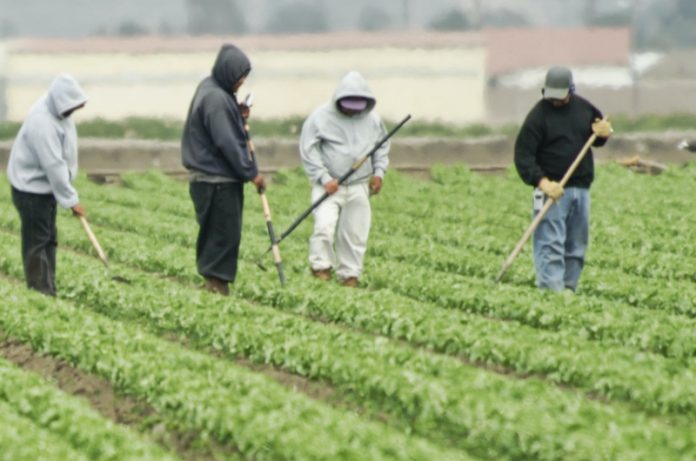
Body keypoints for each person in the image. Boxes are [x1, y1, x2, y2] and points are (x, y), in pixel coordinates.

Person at [514, 65, 612, 291]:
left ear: (571, 90)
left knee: (576, 245)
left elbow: (597, 136)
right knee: (550, 243)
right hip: (552, 190)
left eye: (561, 97)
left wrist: (604, 133)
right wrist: (543, 182)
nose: (556, 101)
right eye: (552, 97)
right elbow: (523, 156)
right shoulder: (538, 116)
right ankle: (551, 292)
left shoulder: (585, 109)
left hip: (581, 188)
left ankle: (568, 290)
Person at [181, 43, 265, 296]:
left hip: (208, 180)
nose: (241, 82)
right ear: (228, 72)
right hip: (216, 180)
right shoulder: (217, 98)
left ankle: (213, 286)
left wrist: (237, 114)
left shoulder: (211, 88)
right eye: (240, 77)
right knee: (223, 235)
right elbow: (228, 141)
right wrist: (251, 173)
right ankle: (217, 287)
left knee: (214, 234)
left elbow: (223, 127)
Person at [299, 71, 390, 287]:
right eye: (348, 105)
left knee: (355, 233)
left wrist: (379, 173)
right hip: (329, 186)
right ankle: (321, 269)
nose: (351, 110)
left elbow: (382, 146)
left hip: (359, 184)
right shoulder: (320, 117)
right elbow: (309, 150)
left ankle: (350, 276)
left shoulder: (373, 120)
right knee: (324, 226)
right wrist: (323, 178)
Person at [7, 74, 88, 296]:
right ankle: (40, 293)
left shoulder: (59, 111)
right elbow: (53, 164)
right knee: (38, 241)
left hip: (45, 188)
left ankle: (47, 287)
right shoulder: (42, 121)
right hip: (31, 189)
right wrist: (71, 201)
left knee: (49, 239)